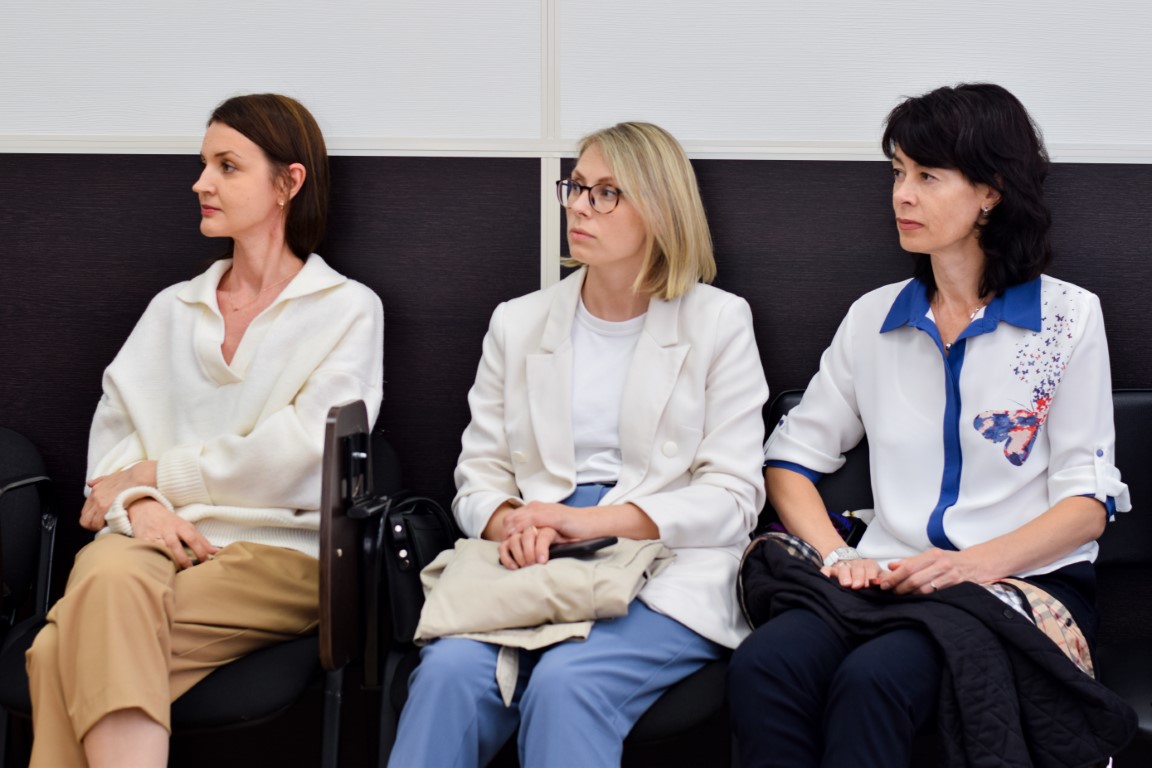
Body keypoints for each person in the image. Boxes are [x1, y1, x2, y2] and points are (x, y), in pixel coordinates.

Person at [729, 83, 1132, 767]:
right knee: (764, 666)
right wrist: (839, 557)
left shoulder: (1067, 319)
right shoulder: (873, 319)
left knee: (873, 681)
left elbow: (1086, 507)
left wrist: (966, 567)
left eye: (927, 176)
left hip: (1015, 583)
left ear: (990, 192)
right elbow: (790, 462)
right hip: (885, 578)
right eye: (897, 173)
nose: (902, 195)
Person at [388, 122, 768, 767]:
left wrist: (589, 522)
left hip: (668, 563)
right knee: (447, 673)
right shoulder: (518, 322)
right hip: (534, 560)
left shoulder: (718, 321)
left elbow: (733, 498)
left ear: (662, 210)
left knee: (567, 684)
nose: (579, 207)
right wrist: (514, 524)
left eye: (607, 193)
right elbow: (478, 476)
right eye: (576, 187)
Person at [25, 94, 384, 768]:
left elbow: (307, 453)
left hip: (278, 557)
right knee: (102, 597)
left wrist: (154, 476)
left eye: (227, 166)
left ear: (288, 183)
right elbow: (114, 441)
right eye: (203, 165)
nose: (200, 182)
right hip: (148, 539)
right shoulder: (173, 309)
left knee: (58, 650)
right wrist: (141, 503)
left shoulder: (346, 309)